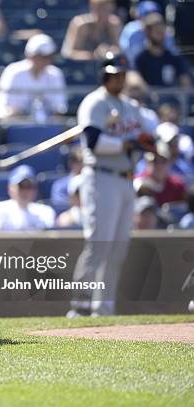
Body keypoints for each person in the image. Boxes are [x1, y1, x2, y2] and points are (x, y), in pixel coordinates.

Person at [68, 52, 156, 318]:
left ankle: (104, 308)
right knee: (99, 243)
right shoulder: (94, 103)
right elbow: (94, 143)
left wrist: (144, 142)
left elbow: (146, 136)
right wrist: (126, 143)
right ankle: (80, 306)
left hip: (126, 178)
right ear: (104, 76)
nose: (117, 78)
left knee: (118, 247)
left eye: (120, 74)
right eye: (112, 74)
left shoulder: (130, 106)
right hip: (101, 175)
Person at [0, 33, 66, 120]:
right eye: (40, 56)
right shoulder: (13, 72)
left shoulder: (55, 74)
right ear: (30, 55)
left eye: (48, 57)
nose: (45, 61)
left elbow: (59, 110)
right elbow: (2, 108)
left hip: (47, 126)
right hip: (15, 125)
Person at [0, 165, 55, 232]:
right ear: (10, 188)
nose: (25, 191)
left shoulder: (46, 212)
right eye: (21, 186)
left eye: (29, 187)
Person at [134, 12, 191, 88]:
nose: (160, 34)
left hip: (172, 98)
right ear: (147, 32)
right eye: (157, 31)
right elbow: (136, 80)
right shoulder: (141, 59)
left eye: (162, 31)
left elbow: (186, 83)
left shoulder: (174, 58)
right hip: (149, 99)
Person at [119, 1, 177, 67]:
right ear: (139, 17)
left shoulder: (165, 33)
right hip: (135, 70)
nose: (151, 18)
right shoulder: (131, 30)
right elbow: (124, 54)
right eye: (147, 15)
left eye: (153, 14)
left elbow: (173, 56)